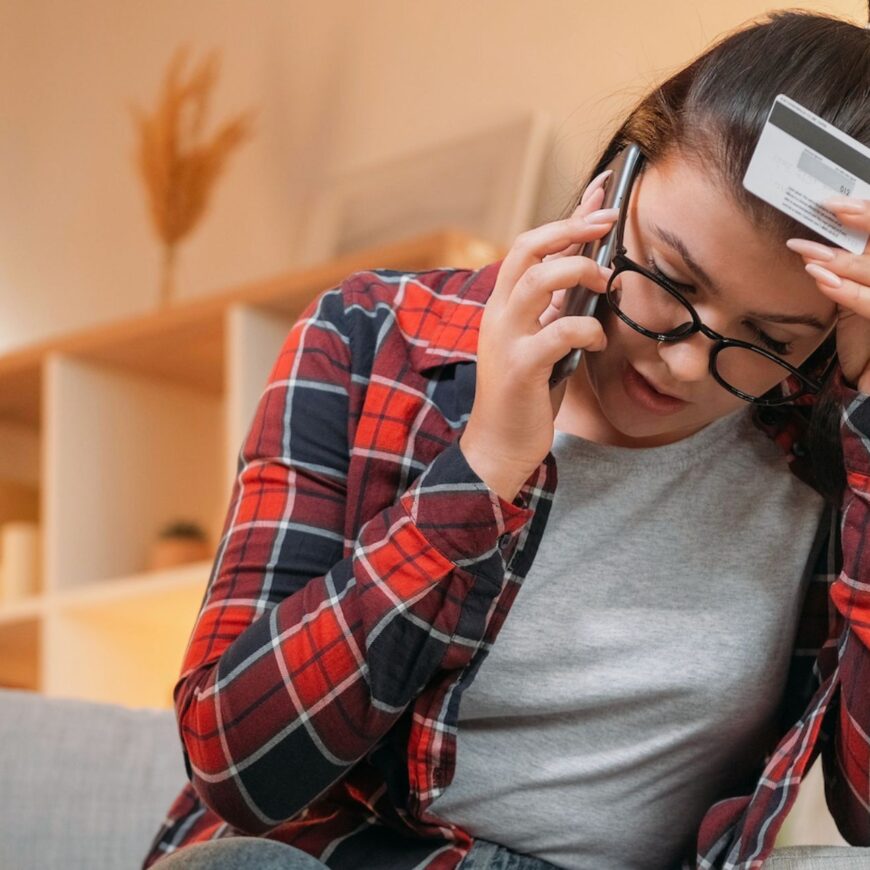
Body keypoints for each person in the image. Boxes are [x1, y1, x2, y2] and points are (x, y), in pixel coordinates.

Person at [142, 9, 870, 870]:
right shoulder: (373, 339)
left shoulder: (824, 455)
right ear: (615, 184)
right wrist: (481, 469)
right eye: (670, 280)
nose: (682, 361)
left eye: (770, 339)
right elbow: (236, 768)